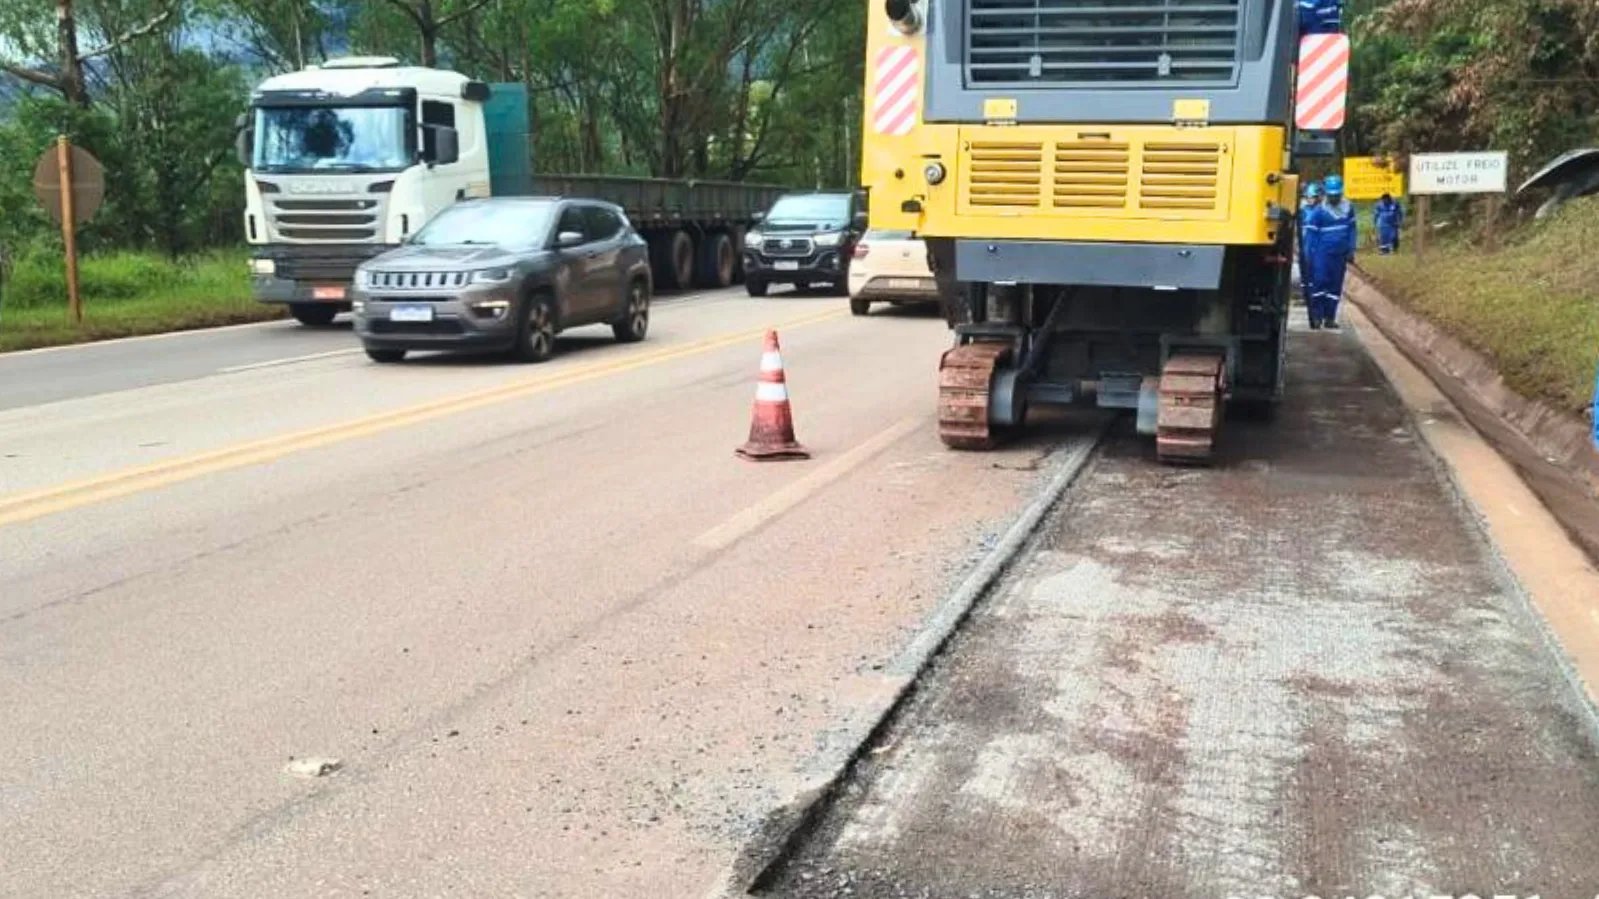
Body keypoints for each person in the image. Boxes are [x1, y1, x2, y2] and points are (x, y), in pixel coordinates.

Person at [1304, 174, 1358, 330]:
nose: (1334, 198)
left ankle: (1330, 317)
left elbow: (1352, 230)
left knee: (1335, 286)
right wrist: (1308, 256)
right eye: (1331, 195)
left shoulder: (1348, 208)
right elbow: (1310, 236)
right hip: (1321, 255)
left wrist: (1351, 249)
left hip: (1340, 255)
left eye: (1337, 195)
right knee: (1320, 283)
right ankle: (1317, 316)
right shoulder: (1319, 212)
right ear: (1327, 194)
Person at [1298, 182, 1323, 307]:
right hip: (1305, 244)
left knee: (1316, 271)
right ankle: (1305, 295)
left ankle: (1315, 295)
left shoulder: (1321, 210)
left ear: (1318, 197)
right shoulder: (1303, 211)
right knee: (1305, 270)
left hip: (1317, 244)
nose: (1310, 199)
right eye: (1308, 197)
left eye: (1312, 197)